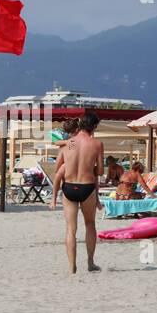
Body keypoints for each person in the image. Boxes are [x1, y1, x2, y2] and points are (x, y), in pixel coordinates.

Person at [51, 110, 104, 274]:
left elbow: (56, 168)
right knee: (90, 224)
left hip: (69, 187)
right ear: (94, 126)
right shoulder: (97, 144)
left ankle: (71, 266)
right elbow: (101, 171)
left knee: (70, 229)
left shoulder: (68, 143)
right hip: (87, 187)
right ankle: (90, 262)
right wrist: (90, 167)